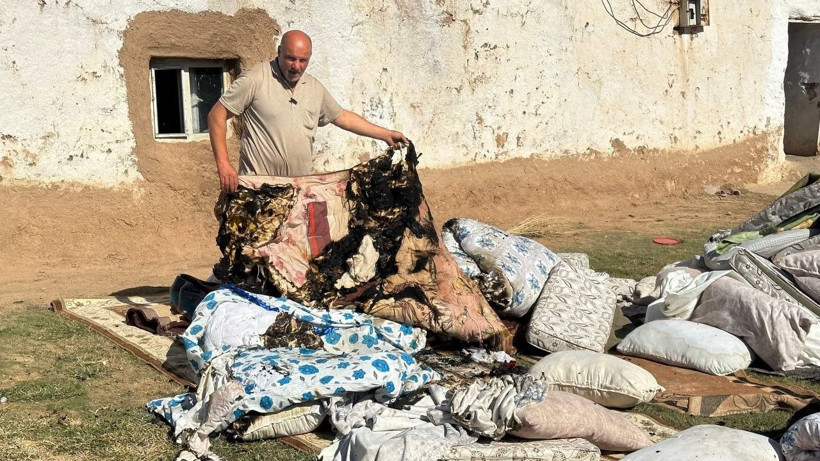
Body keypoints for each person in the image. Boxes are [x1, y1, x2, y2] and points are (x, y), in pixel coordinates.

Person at [208, 30, 408, 191]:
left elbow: (342, 117)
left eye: (303, 60)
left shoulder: (314, 88)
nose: (296, 66)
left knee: (300, 242)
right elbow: (216, 115)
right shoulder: (256, 79)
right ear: (279, 52)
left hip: (300, 189)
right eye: (290, 58)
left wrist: (385, 134)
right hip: (258, 188)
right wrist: (224, 164)